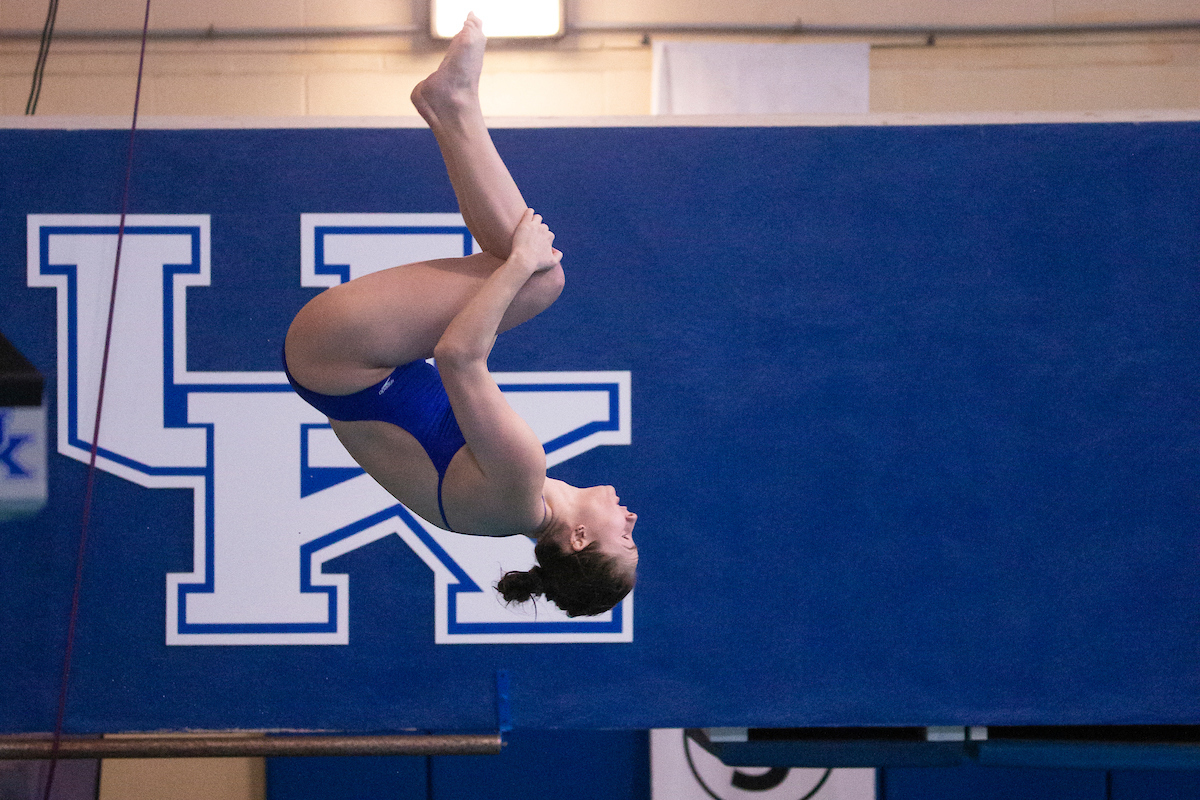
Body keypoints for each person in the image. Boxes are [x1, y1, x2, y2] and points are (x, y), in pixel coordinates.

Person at [283, 14, 637, 618]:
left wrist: (516, 266)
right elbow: (366, 431)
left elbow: (457, 356)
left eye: (624, 539)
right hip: (333, 370)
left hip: (344, 354)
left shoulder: (521, 477)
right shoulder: (497, 515)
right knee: (530, 272)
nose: (631, 520)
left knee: (539, 277)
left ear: (579, 539)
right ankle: (450, 106)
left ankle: (452, 104)